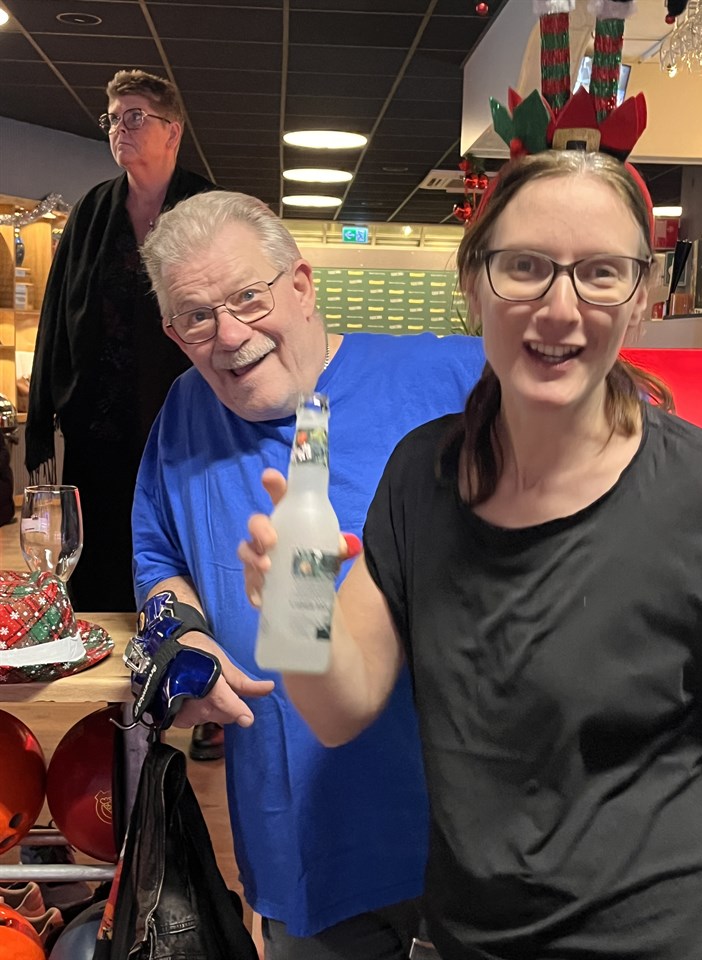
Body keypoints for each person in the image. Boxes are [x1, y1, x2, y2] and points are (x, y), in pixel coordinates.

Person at [243, 150, 702, 959]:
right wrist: (297, 606)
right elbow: (339, 709)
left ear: (640, 300)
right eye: (525, 267)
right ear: (473, 283)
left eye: (601, 273)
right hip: (469, 937)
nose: (560, 308)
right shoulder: (421, 474)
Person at [133, 188, 486, 958]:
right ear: (174, 333)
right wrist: (181, 637)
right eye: (197, 316)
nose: (230, 335)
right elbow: (159, 559)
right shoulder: (184, 414)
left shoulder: (451, 376)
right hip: (302, 843)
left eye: (248, 298)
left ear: (300, 284)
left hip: (471, 832)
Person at [24, 68, 214, 615]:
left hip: (181, 414)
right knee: (100, 552)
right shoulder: (92, 211)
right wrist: (46, 408)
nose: (118, 129)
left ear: (172, 131)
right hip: (98, 422)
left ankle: (182, 636)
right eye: (111, 119)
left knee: (177, 541)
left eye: (134, 117)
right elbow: (58, 309)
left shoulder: (206, 206)